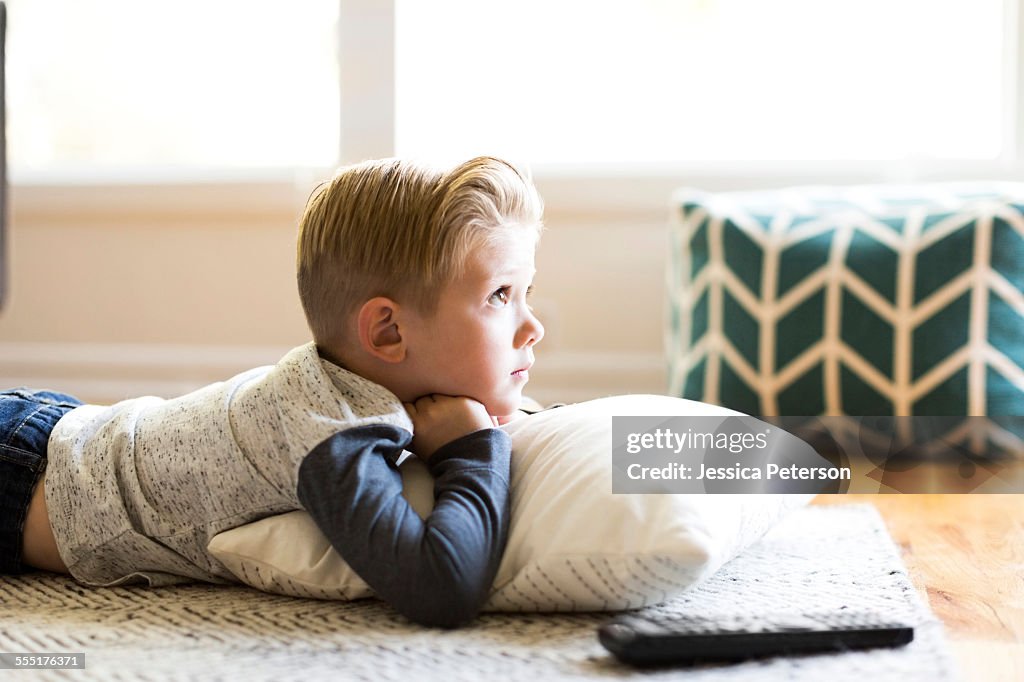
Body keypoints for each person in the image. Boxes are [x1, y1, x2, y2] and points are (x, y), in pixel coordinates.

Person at [2, 156, 545, 628]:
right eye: (501, 295)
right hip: (16, 479)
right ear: (388, 332)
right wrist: (470, 450)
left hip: (53, 434)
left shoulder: (348, 391)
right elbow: (440, 588)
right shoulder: (328, 431)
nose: (533, 327)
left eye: (525, 292)